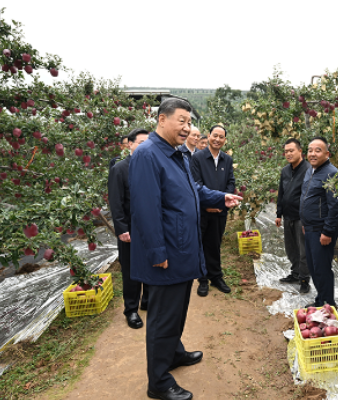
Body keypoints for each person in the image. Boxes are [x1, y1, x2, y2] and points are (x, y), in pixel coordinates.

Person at [129, 98, 242, 400]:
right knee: (163, 318)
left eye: (189, 122)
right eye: (181, 121)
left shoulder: (177, 154)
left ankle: (174, 353)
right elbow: (146, 210)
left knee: (176, 312)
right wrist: (157, 252)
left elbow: (194, 190)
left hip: (181, 249)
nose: (187, 127)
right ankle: (159, 382)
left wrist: (220, 198)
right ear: (162, 120)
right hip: (166, 252)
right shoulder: (148, 155)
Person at [107, 128, 150, 329]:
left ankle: (147, 300)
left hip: (150, 228)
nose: (145, 146)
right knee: (131, 270)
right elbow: (115, 203)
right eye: (141, 142)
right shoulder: (120, 169)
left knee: (151, 263)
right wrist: (121, 228)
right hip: (130, 230)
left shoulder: (151, 166)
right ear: (130, 144)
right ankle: (131, 309)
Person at [190, 125, 235, 296]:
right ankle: (202, 279)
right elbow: (196, 184)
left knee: (215, 244)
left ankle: (216, 276)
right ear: (208, 136)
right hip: (203, 210)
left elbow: (231, 182)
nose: (217, 139)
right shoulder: (198, 158)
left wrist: (224, 201)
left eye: (221, 137)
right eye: (214, 135)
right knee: (201, 244)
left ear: (225, 140)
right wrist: (208, 202)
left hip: (220, 211)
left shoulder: (227, 160)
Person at [300, 136, 338, 307]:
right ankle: (321, 300)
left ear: (327, 153)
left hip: (321, 230)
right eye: (310, 150)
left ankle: (327, 304)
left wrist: (327, 231)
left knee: (322, 269)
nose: (313, 153)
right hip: (310, 228)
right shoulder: (310, 171)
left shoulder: (333, 174)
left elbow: (336, 207)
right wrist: (305, 224)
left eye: (317, 150)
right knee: (313, 268)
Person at [276, 138, 311, 293]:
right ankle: (295, 274)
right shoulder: (285, 171)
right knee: (291, 249)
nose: (288, 154)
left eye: (291, 151)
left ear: (300, 151)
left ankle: (304, 280)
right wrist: (279, 213)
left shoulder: (308, 170)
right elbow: (281, 193)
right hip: (288, 216)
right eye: (286, 152)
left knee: (303, 251)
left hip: (301, 218)